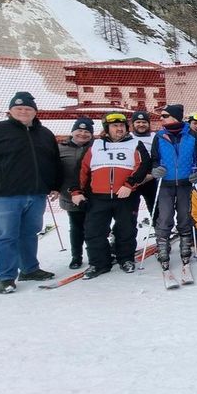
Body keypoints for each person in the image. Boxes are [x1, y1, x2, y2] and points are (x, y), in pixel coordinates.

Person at [0, 91, 62, 294]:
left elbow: (53, 162)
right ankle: (6, 277)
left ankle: (29, 269)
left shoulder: (44, 134)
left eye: (28, 109)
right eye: (19, 109)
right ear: (10, 111)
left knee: (29, 233)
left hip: (35, 195)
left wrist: (55, 185)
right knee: (6, 236)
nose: (23, 112)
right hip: (3, 196)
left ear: (35, 112)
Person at [70, 113, 151, 279]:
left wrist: (129, 185)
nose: (119, 129)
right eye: (114, 126)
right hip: (98, 196)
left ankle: (126, 259)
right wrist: (76, 191)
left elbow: (143, 165)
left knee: (126, 229)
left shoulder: (135, 143)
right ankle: (99, 263)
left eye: (122, 126)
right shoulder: (95, 145)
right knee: (94, 231)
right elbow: (82, 170)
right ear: (107, 129)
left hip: (125, 195)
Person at [151, 104, 197, 272]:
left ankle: (186, 245)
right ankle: (163, 247)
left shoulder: (192, 135)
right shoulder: (159, 136)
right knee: (165, 216)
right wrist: (155, 169)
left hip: (186, 183)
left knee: (185, 215)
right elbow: (154, 158)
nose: (162, 118)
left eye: (165, 115)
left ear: (175, 117)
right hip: (165, 183)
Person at [59, 117, 95, 269]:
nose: (83, 134)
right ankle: (76, 257)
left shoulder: (97, 147)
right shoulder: (60, 148)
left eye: (87, 131)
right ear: (73, 132)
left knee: (95, 226)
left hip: (94, 194)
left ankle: (95, 254)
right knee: (76, 227)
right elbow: (52, 170)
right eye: (79, 131)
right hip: (70, 195)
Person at [130, 110, 158, 219]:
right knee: (130, 209)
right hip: (133, 179)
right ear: (133, 124)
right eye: (138, 122)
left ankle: (158, 229)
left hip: (150, 177)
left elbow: (159, 156)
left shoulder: (155, 137)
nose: (141, 124)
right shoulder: (128, 137)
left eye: (144, 122)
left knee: (155, 207)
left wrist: (151, 174)